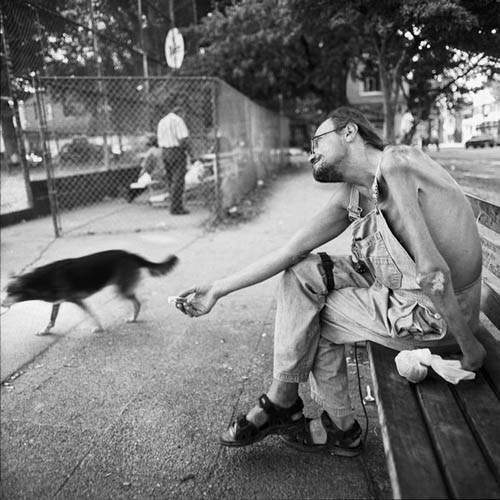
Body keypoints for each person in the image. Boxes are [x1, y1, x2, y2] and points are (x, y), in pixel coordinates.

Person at [174, 106, 486, 456]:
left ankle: (328, 422)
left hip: (439, 316)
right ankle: (291, 405)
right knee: (301, 273)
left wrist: (470, 348)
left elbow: (432, 273)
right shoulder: (354, 195)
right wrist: (218, 288)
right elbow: (290, 251)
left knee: (311, 315)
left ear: (349, 132)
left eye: (317, 142)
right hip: (400, 292)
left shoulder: (396, 163)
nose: (311, 154)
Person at [157, 105, 191, 215]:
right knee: (178, 180)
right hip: (176, 151)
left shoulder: (162, 121)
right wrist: (190, 152)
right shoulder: (178, 120)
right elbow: (183, 139)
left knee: (170, 179)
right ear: (181, 112)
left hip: (165, 151)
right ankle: (176, 207)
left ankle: (172, 203)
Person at [128, 134, 164, 202]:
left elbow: (146, 165)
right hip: (160, 173)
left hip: (154, 175)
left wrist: (141, 173)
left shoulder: (152, 151)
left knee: (137, 177)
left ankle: (131, 197)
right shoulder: (161, 150)